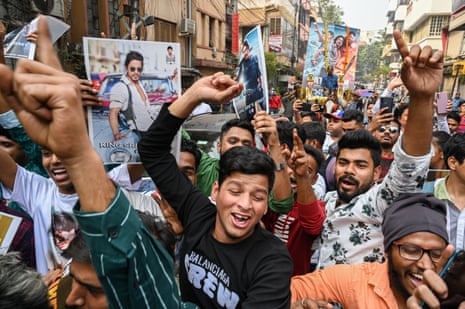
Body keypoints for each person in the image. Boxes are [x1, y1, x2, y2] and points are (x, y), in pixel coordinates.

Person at [1, 15, 198, 308]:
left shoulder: (107, 187)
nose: (56, 159)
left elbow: (153, 154)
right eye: (46, 152)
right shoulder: (35, 190)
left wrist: (185, 98)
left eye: (64, 151)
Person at [138, 73, 293, 308]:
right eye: (235, 191)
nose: (245, 204)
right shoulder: (198, 213)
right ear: (216, 190)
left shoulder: (272, 261)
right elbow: (152, 150)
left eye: (258, 196)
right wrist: (194, 95)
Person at [315, 29, 442, 270]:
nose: (349, 170)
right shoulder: (327, 200)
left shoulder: (378, 203)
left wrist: (422, 98)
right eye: (344, 162)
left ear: (376, 174)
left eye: (360, 165)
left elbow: (409, 168)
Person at [290, 193, 454, 309]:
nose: (425, 265)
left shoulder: (454, 295)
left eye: (436, 254)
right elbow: (279, 293)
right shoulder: (355, 280)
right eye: (411, 250)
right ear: (387, 251)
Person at [262, 129, 326, 276]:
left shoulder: (318, 207)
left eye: (307, 170)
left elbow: (312, 226)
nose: (295, 172)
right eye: (291, 166)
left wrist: (301, 176)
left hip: (292, 283)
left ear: (315, 179)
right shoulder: (271, 196)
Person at [109, 51, 159, 141]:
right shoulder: (121, 87)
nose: (136, 72)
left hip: (150, 133)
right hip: (136, 135)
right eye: (132, 69)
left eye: (139, 69)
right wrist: (116, 134)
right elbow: (113, 113)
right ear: (126, 68)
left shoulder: (139, 84)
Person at [237, 40, 264, 116]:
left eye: (246, 50)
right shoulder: (242, 63)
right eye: (243, 51)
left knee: (261, 113)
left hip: (257, 91)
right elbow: (239, 77)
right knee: (249, 115)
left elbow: (259, 74)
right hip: (248, 93)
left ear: (249, 50)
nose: (245, 53)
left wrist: (260, 86)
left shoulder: (254, 59)